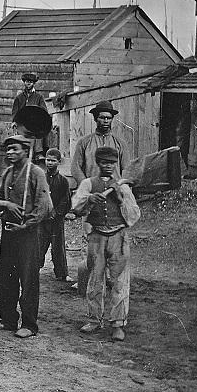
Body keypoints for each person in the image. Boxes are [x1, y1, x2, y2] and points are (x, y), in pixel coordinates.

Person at [70, 146, 141, 342]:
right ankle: (94, 319)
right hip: (96, 237)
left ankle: (118, 324)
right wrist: (89, 200)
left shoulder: (123, 187)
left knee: (120, 282)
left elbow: (134, 216)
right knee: (95, 280)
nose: (108, 166)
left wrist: (120, 200)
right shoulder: (87, 184)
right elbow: (76, 207)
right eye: (104, 162)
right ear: (97, 163)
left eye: (111, 163)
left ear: (116, 164)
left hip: (118, 237)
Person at [0, 136, 53, 338]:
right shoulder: (7, 173)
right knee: (5, 278)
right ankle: (7, 320)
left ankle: (29, 324)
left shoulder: (36, 173)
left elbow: (45, 207)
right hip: (8, 232)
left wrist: (25, 224)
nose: (10, 153)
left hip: (28, 234)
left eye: (14, 149)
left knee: (28, 278)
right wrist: (7, 205)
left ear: (26, 150)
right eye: (7, 150)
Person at [71, 101, 127, 185]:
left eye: (109, 118)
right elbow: (75, 168)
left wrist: (120, 187)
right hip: (92, 191)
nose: (106, 121)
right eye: (102, 117)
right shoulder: (84, 142)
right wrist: (87, 186)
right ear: (95, 118)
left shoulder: (120, 143)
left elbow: (126, 169)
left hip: (114, 190)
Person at [38, 148, 72, 282]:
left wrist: (57, 212)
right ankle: (34, 269)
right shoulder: (41, 178)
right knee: (39, 244)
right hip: (42, 219)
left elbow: (66, 200)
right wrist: (43, 211)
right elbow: (38, 196)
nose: (50, 163)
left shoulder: (63, 181)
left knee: (58, 246)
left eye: (53, 160)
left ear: (59, 162)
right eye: (48, 160)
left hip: (57, 220)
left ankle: (62, 273)